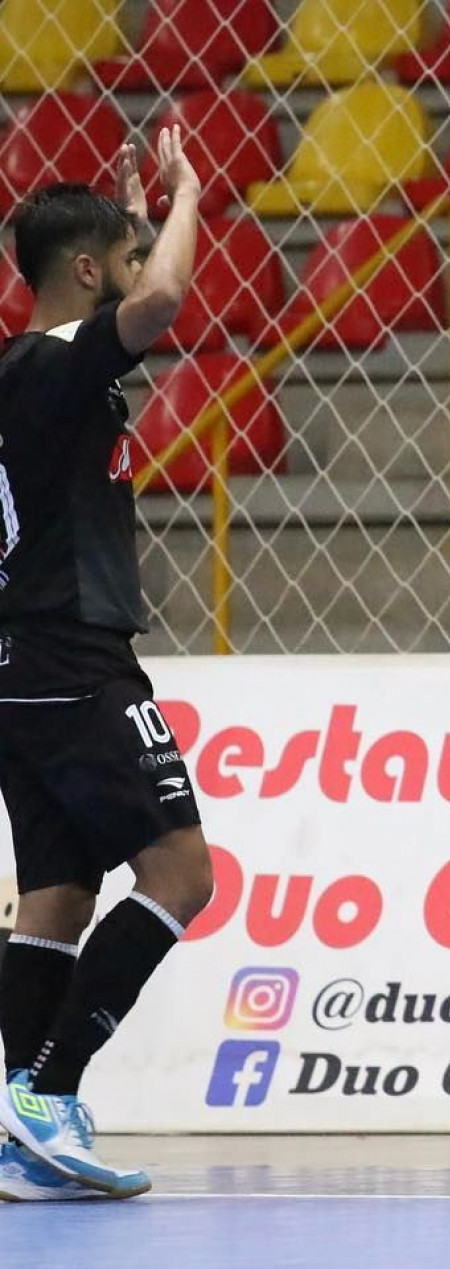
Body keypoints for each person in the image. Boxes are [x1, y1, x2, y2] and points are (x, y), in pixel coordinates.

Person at [0, 127, 212, 1202]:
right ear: (84, 273)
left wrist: (131, 214)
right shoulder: (51, 361)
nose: (134, 273)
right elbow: (165, 299)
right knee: (182, 873)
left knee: (57, 893)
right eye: (118, 259)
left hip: (17, 661)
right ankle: (45, 1089)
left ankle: (19, 1144)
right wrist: (184, 199)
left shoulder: (22, 377)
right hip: (73, 654)